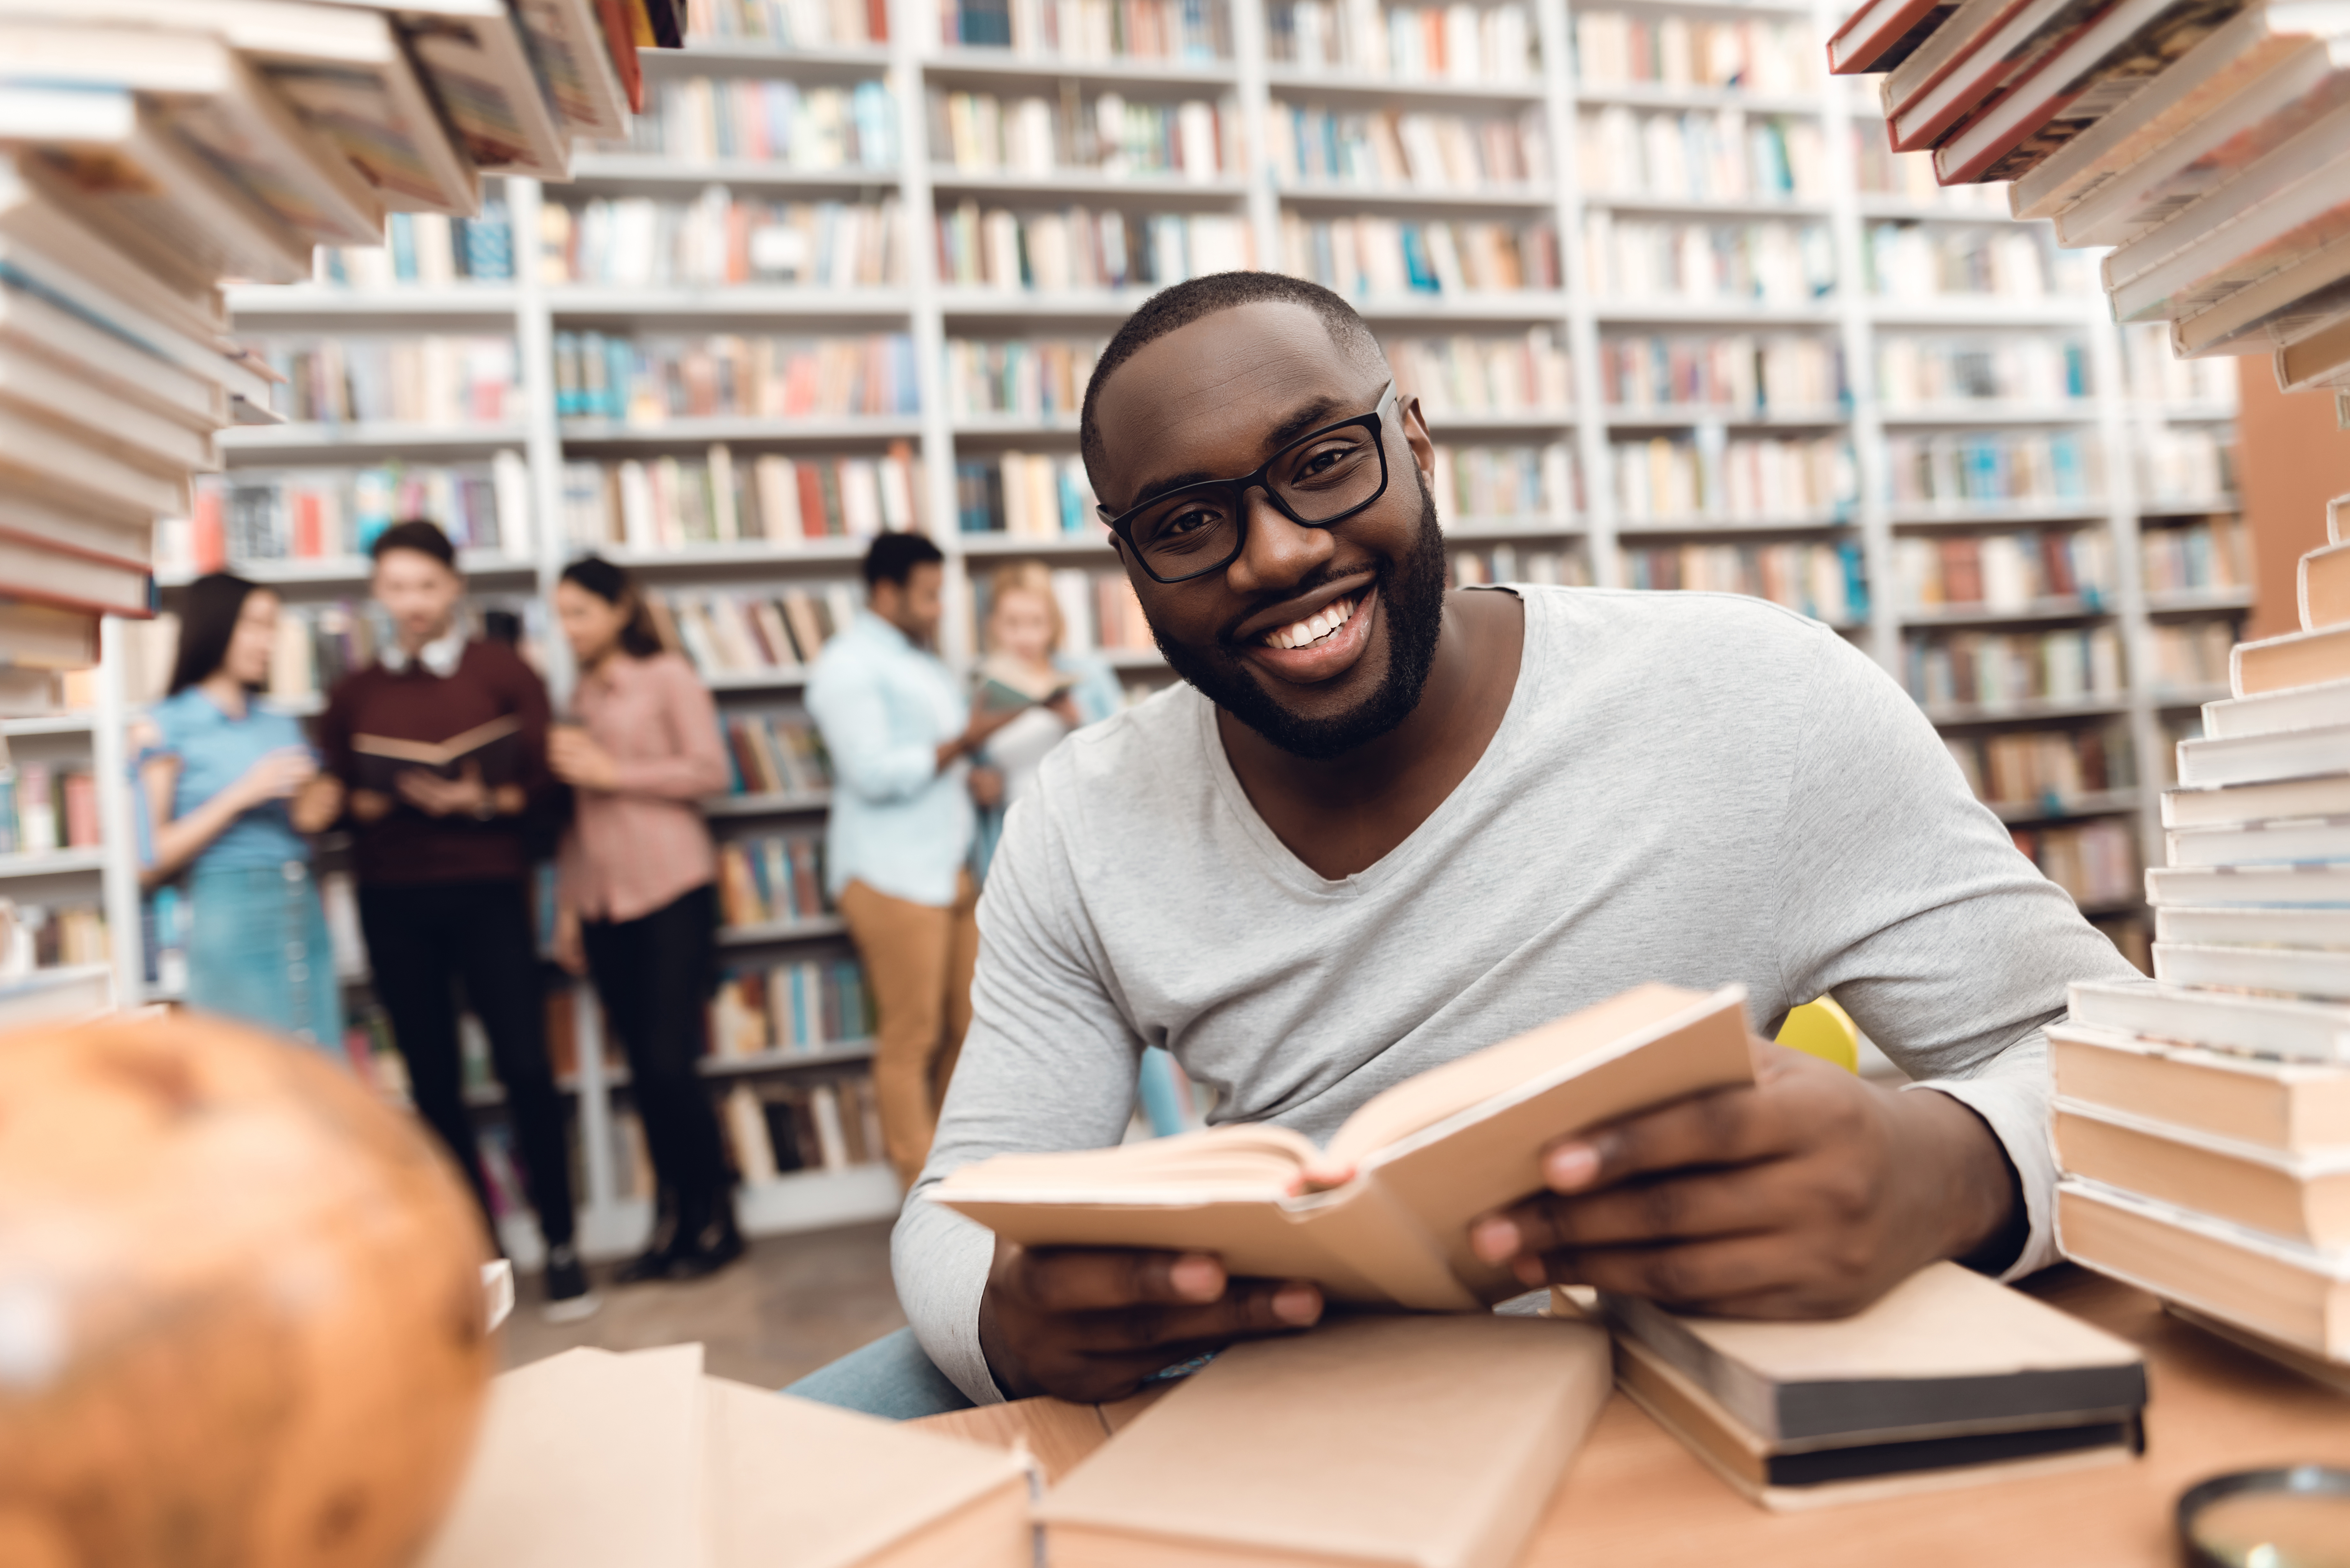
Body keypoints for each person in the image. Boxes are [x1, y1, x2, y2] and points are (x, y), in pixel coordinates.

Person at [817, 272, 2143, 1414]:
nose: (1277, 553)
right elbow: (960, 1201)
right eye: (1186, 524)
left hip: (1682, 1383)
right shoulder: (1080, 812)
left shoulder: (1755, 694)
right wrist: (1009, 1324)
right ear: (1126, 558)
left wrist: (1948, 1170)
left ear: (1415, 440)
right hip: (1293, 1402)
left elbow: (2134, 1070)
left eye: (1325, 459)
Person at [313, 520, 595, 1321]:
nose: (412, 604)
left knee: (526, 1068)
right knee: (434, 1082)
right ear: (377, 593)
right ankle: (477, 1253)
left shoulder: (504, 671)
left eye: (426, 586)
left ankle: (563, 1242)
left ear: (455, 587)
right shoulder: (355, 690)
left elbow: (548, 784)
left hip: (488, 888)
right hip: (393, 896)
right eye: (396, 588)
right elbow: (337, 792)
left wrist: (484, 798)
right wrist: (365, 798)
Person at [804, 532, 1019, 1191]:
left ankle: (961, 1177)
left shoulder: (921, 662)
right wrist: (965, 742)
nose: (937, 609)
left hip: (947, 866)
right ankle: (923, 1195)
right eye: (926, 596)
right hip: (890, 873)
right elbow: (872, 773)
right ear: (884, 592)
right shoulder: (846, 665)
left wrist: (972, 772)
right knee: (910, 1038)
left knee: (969, 1027)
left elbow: (935, 759)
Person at [547, 555, 741, 1283]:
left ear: (620, 610)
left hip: (669, 891)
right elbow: (575, 813)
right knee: (644, 1076)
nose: (567, 628)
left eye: (579, 612)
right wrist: (567, 908)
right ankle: (671, 1224)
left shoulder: (669, 676)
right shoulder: (576, 694)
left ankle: (716, 1218)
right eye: (560, 614)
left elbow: (710, 771)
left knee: (671, 1063)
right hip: (602, 902)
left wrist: (614, 773)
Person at [135, 573, 345, 1053]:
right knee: (250, 1081)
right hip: (230, 915)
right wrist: (242, 794)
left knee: (319, 1075)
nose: (267, 641)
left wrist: (320, 805)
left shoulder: (281, 723)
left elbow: (304, 826)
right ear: (216, 625)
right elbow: (148, 861)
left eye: (273, 627)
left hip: (302, 906)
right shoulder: (163, 727)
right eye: (254, 625)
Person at [968, 563, 1124, 881]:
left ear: (1053, 625)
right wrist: (981, 782)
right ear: (993, 625)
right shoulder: (983, 693)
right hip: (1015, 842)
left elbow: (1125, 749)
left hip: (1084, 836)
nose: (1024, 637)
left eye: (1036, 623)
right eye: (1012, 623)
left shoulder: (1089, 675)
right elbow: (976, 769)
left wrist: (1078, 719)